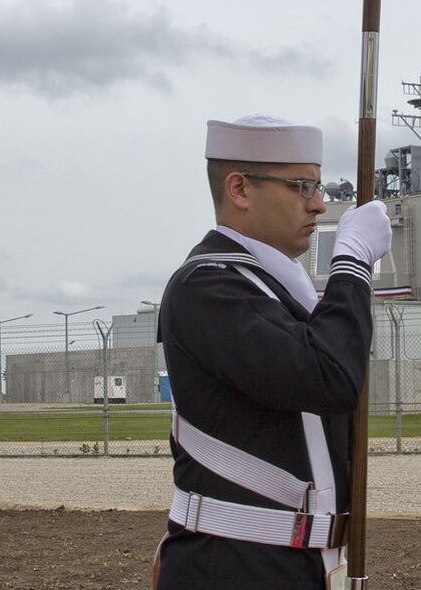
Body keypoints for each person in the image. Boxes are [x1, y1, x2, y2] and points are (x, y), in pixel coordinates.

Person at [154, 114, 391, 589]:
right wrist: (351, 263)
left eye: (318, 187)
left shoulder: (276, 290)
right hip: (233, 565)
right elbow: (329, 374)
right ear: (239, 189)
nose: (321, 205)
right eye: (302, 186)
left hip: (295, 565)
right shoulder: (207, 286)